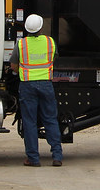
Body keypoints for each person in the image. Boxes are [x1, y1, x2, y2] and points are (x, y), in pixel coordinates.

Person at [12, 14, 63, 167]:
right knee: (50, 120)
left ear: (26, 29)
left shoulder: (21, 44)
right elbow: (54, 59)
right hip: (46, 85)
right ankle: (57, 157)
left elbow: (14, 66)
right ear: (40, 28)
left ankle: (33, 159)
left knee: (30, 122)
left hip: (27, 85)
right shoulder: (50, 42)